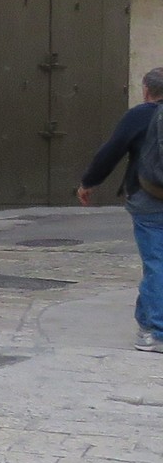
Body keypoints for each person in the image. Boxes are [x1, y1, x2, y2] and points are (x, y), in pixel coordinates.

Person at [77, 65, 163, 353]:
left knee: (156, 263)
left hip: (149, 199)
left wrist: (89, 182)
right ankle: (145, 320)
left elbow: (111, 151)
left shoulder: (139, 115)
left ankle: (157, 331)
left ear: (147, 90)